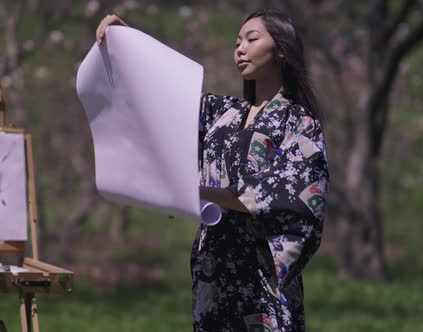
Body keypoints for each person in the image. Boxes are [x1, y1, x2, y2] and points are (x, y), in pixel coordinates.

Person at [96, 9, 329, 332]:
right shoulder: (224, 115)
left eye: (251, 39)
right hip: (215, 269)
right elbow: (166, 94)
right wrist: (127, 40)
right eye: (237, 43)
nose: (240, 49)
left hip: (261, 276)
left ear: (282, 50)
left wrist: (196, 191)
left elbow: (289, 195)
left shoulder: (300, 123)